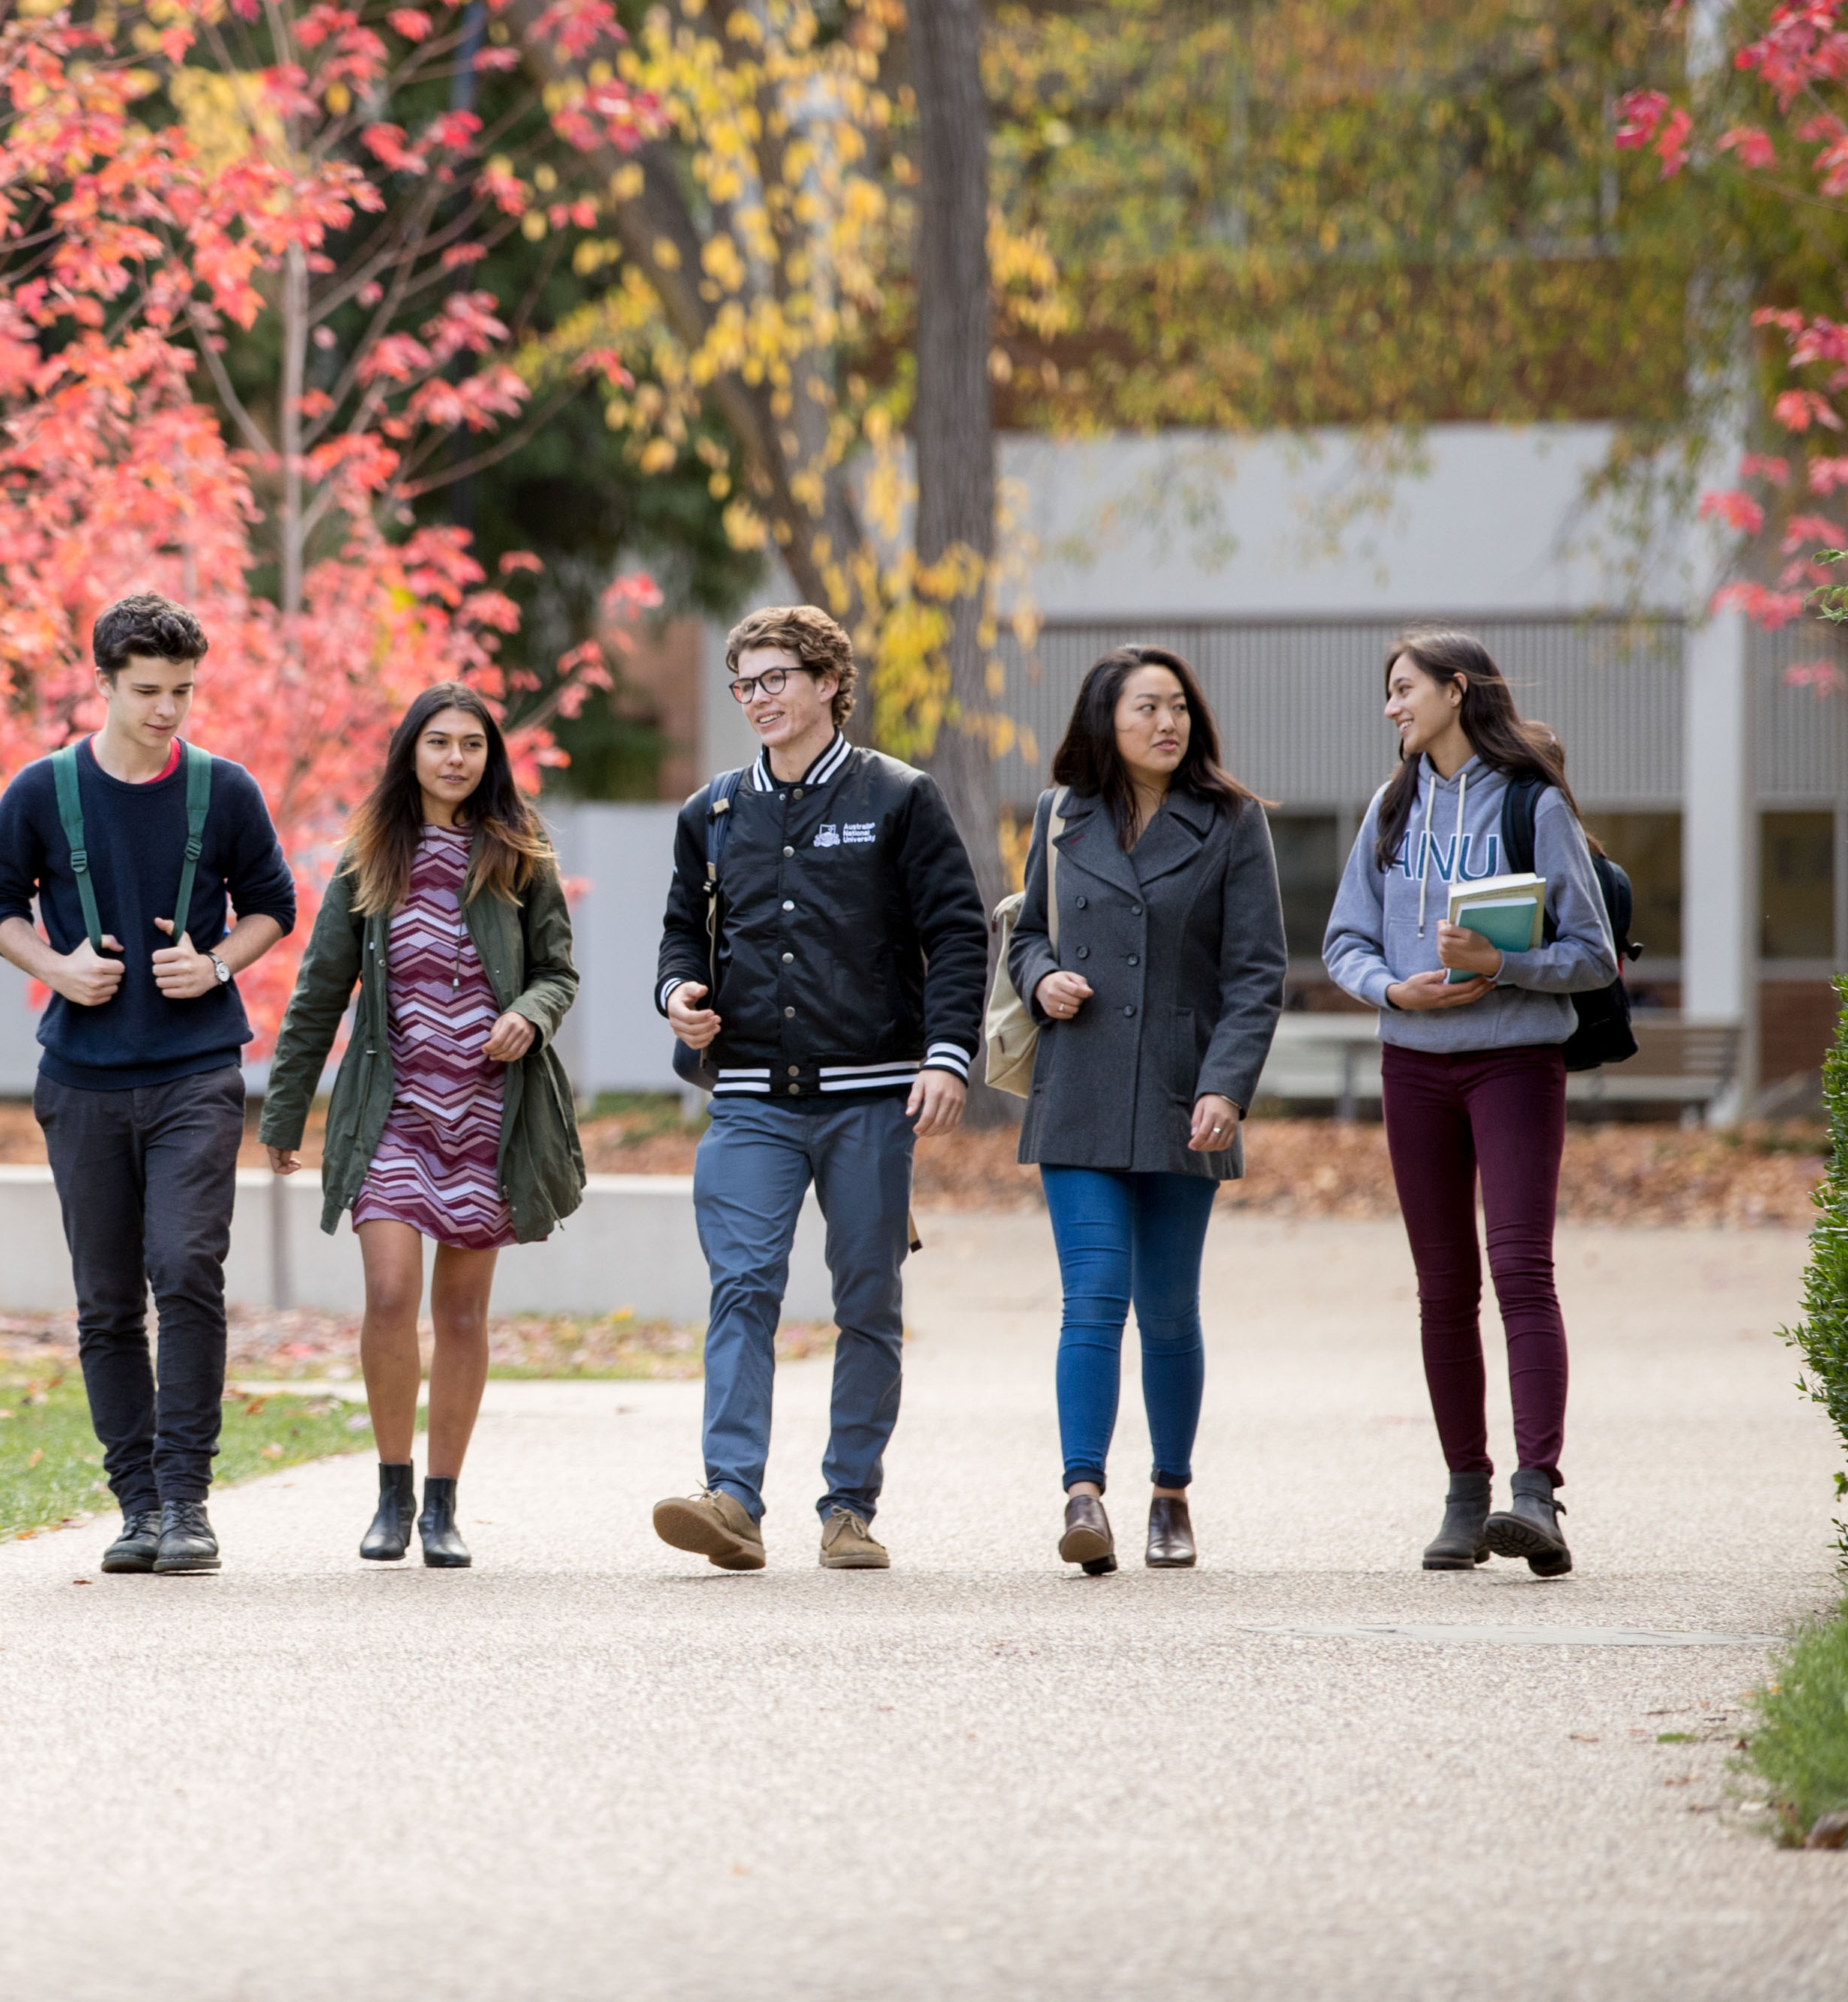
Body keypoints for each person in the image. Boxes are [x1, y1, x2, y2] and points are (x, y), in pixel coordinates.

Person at [650, 604, 991, 1573]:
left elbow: (960, 933)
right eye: (744, 684)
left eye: (775, 679)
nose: (758, 698)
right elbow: (680, 931)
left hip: (873, 1094)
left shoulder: (900, 798)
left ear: (830, 681)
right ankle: (732, 1498)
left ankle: (849, 1506)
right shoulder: (711, 812)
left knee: (868, 1301)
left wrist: (946, 1053)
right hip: (751, 1093)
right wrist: (678, 993)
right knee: (744, 1286)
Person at [0, 593, 299, 1576]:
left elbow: (273, 905)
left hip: (197, 1071)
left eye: (184, 691)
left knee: (187, 1267)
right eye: (148, 691)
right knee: (107, 1299)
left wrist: (220, 962)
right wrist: (57, 967)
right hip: (83, 1079)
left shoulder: (224, 790)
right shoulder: (42, 790)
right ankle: (138, 1505)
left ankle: (188, 1501)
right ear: (102, 683)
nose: (167, 711)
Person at [257, 685, 587, 1568]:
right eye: (437, 742)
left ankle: (442, 1505)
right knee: (392, 1293)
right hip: (392, 1114)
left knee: (463, 1312)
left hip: (487, 1114)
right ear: (409, 752)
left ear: (489, 757)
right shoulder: (369, 860)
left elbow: (558, 969)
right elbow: (319, 992)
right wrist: (284, 1111)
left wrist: (529, 1010)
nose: (454, 758)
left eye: (470, 745)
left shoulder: (519, 853)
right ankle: (391, 1489)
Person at [1322, 630, 1616, 1578]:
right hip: (1412, 1064)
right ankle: (1463, 1492)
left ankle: (1535, 1494)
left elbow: (1593, 953)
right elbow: (1342, 940)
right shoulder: (1390, 805)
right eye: (1386, 693)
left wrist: (1504, 965)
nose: (1390, 707)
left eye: (1403, 689)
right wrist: (1389, 988)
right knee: (1443, 1288)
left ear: (1455, 690)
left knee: (1520, 1269)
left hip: (1514, 1061)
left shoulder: (1531, 802)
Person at [1006, 646, 1286, 1575]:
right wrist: (1041, 977)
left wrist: (1224, 1085)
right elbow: (1027, 932)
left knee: (1167, 1309)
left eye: (1176, 708)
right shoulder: (1059, 814)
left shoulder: (1232, 822)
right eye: (1144, 709)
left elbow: (1255, 974)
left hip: (1182, 1093)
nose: (1165, 723)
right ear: (1105, 721)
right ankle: (1081, 1492)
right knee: (1091, 1294)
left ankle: (1169, 1493)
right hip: (1078, 1086)